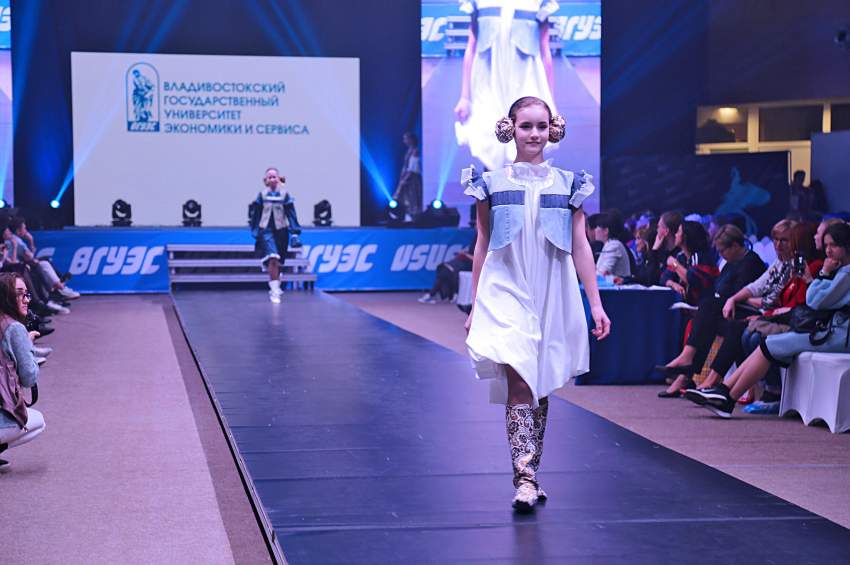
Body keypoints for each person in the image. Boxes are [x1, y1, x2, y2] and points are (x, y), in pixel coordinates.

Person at [463, 96, 610, 513]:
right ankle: (524, 478)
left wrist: (595, 304)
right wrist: (475, 304)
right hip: (505, 286)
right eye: (526, 126)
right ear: (510, 127)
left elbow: (581, 246)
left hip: (551, 288)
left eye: (541, 126)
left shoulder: (569, 184)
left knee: (540, 383)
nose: (534, 134)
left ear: (553, 129)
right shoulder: (489, 183)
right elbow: (482, 244)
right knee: (520, 379)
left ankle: (532, 473)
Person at [687, 222, 850, 418]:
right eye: (827, 245)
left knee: (766, 343)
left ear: (846, 246)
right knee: (764, 343)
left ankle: (727, 397)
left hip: (838, 336)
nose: (828, 250)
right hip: (829, 332)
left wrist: (822, 273)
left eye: (833, 245)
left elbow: (814, 300)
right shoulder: (840, 271)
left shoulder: (845, 274)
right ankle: (723, 392)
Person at [656, 224, 766, 397]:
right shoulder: (730, 263)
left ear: (735, 246)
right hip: (727, 311)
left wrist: (727, 298)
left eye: (722, 251)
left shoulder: (751, 263)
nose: (721, 255)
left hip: (742, 313)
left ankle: (692, 370)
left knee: (710, 310)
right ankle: (687, 371)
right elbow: (720, 289)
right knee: (705, 315)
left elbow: (737, 293)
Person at [454, 0, 559, 171]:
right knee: (490, 145)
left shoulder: (539, 2)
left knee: (527, 148)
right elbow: (471, 48)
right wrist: (465, 97)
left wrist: (550, 104)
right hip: (487, 84)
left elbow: (545, 50)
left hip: (526, 81)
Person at [0, 272, 44, 467]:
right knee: (38, 421)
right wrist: (28, 345)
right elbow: (29, 378)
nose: (26, 299)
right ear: (5, 296)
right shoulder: (14, 328)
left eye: (26, 294)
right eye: (19, 293)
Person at [249, 167, 298, 304]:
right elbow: (256, 214)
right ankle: (275, 290)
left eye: (274, 176)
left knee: (279, 261)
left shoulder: (285, 195)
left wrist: (294, 232)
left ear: (278, 178)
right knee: (272, 258)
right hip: (266, 231)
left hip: (281, 231)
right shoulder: (262, 195)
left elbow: (291, 214)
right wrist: (255, 231)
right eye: (269, 177)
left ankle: (276, 281)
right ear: (266, 180)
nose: (272, 179)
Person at [392, 132, 423, 216]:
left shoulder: (415, 151)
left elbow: (413, 167)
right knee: (407, 199)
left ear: (410, 139)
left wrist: (405, 179)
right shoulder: (409, 150)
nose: (404, 141)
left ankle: (415, 215)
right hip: (408, 176)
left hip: (413, 177)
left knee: (413, 198)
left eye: (405, 138)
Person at [594, 212, 631, 278]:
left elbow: (602, 273)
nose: (595, 230)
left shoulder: (614, 245)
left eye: (597, 227)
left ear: (606, 231)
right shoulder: (609, 244)